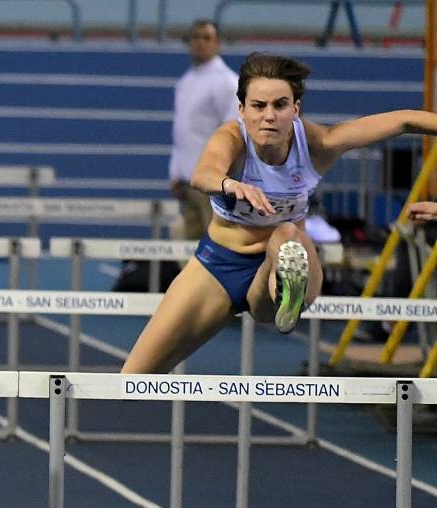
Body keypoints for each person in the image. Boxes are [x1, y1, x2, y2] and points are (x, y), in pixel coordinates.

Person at [124, 53, 437, 374]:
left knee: (286, 233)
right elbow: (203, 175)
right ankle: (282, 288)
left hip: (280, 264)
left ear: (295, 109)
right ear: (242, 110)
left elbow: (403, 121)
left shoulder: (319, 144)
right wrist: (230, 185)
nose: (269, 116)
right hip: (219, 266)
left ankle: (287, 289)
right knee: (134, 377)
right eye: (259, 106)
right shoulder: (231, 138)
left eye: (280, 105)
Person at [169, 20, 239, 242]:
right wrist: (176, 172)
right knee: (191, 251)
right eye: (196, 37)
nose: (200, 42)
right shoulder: (186, 81)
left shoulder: (227, 83)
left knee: (217, 246)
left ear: (218, 43)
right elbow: (182, 132)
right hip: (189, 182)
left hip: (212, 183)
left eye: (207, 38)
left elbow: (233, 131)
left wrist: (222, 176)